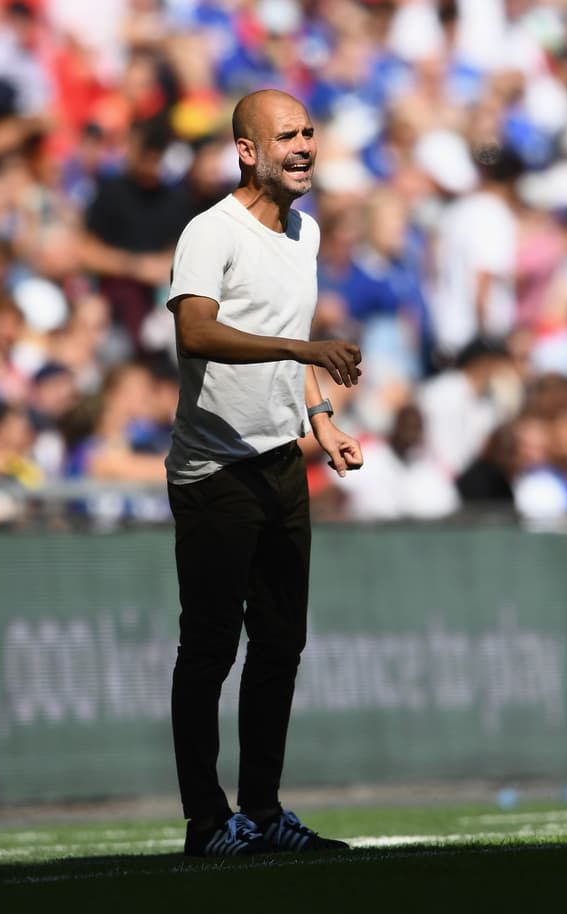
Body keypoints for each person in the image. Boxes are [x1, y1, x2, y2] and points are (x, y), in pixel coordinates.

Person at [165, 89, 364, 856]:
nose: (305, 144)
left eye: (309, 131)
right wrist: (302, 353)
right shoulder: (208, 232)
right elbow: (196, 332)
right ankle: (207, 823)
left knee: (281, 643)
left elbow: (291, 337)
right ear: (247, 150)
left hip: (281, 462)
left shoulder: (305, 232)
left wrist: (321, 419)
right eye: (287, 135)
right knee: (210, 649)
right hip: (214, 471)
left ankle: (264, 811)